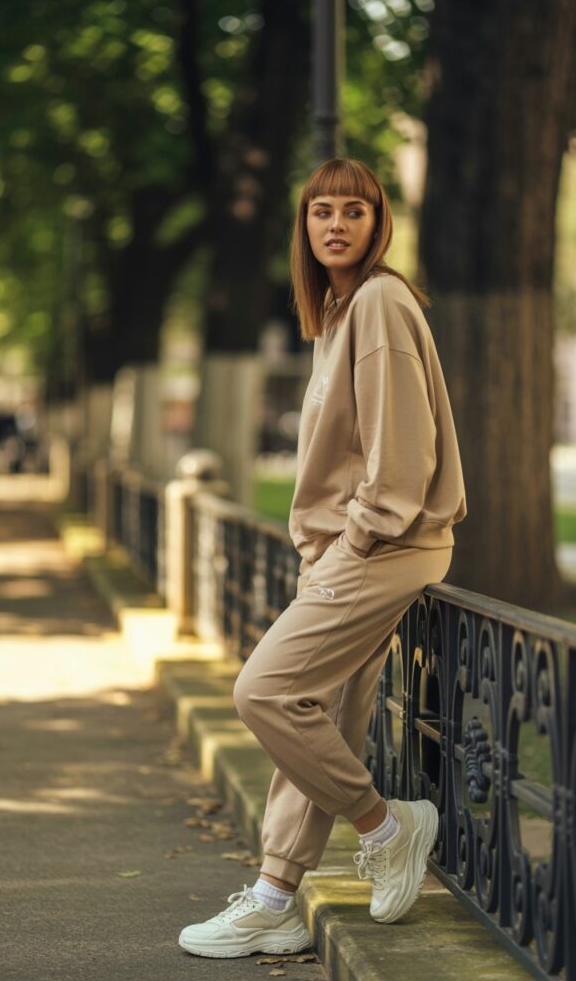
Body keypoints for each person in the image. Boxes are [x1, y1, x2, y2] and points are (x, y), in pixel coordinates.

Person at [178, 157, 467, 958]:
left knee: (264, 692)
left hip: (380, 547)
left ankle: (387, 826)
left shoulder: (378, 301)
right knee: (319, 715)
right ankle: (275, 895)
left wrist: (358, 540)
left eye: (355, 211)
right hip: (353, 549)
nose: (335, 224)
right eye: (320, 212)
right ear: (303, 227)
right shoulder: (341, 312)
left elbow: (402, 451)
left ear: (379, 225)